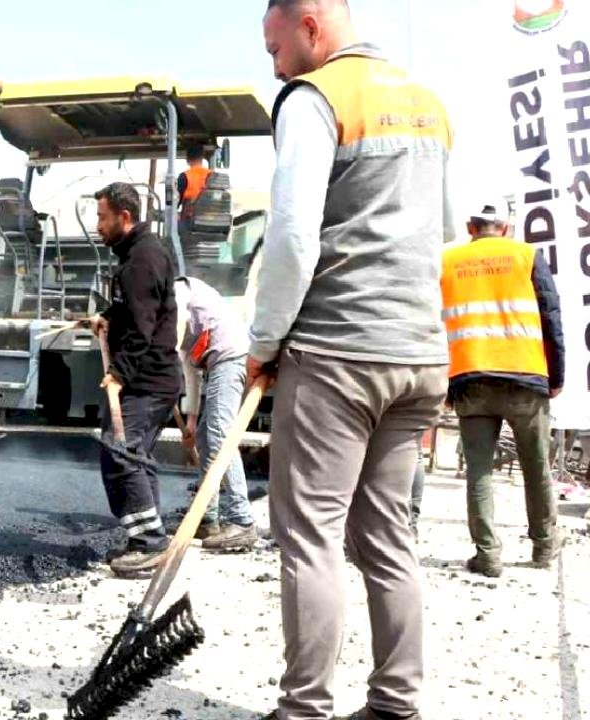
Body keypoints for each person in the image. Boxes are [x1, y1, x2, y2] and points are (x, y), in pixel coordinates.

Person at [255, 1, 453, 718]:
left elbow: (292, 236)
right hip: (419, 357)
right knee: (387, 536)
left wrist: (265, 342)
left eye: (275, 47)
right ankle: (396, 703)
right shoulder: (427, 104)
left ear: (311, 26)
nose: (274, 66)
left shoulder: (314, 99)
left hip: (339, 352)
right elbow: (445, 236)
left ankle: (303, 707)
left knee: (309, 534)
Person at [441, 201, 565, 577]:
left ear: (470, 226)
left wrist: (444, 384)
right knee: (536, 465)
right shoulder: (527, 255)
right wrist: (557, 374)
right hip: (525, 377)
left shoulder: (448, 262)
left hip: (470, 377)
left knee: (478, 472)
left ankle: (488, 555)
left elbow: (433, 321)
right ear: (506, 228)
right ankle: (544, 547)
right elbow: (551, 314)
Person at [86, 182, 182, 577]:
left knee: (119, 452)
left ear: (124, 217)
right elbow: (135, 306)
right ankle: (149, 537)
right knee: (135, 456)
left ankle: (149, 544)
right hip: (154, 378)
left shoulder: (142, 259)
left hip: (148, 379)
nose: (98, 225)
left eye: (102, 217)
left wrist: (117, 375)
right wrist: (108, 314)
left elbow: (143, 328)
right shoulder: (139, 254)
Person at [174, 276, 257, 551]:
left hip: (231, 358)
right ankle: (207, 518)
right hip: (217, 363)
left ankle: (241, 520)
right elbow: (191, 374)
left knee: (222, 435)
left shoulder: (178, 289)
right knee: (206, 439)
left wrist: (163, 348)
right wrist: (191, 421)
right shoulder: (185, 329)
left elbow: (178, 322)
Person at [176, 144, 213, 228]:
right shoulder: (212, 175)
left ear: (187, 159)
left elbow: (176, 201)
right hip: (209, 219)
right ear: (202, 158)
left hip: (189, 220)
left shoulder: (184, 176)